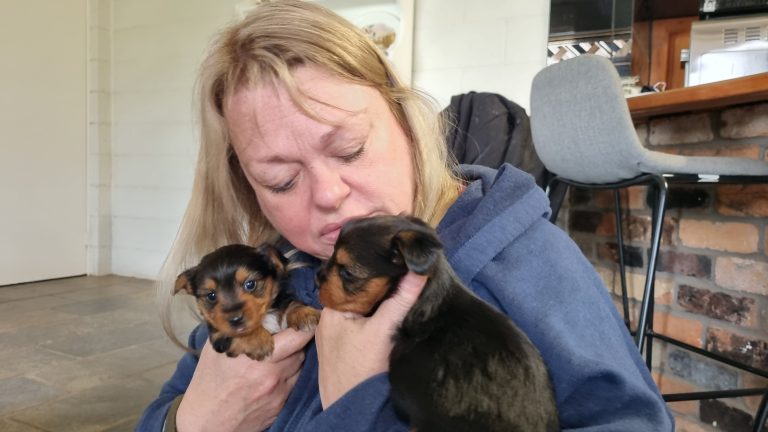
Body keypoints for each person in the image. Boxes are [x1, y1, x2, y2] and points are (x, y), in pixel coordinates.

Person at [137, 1, 675, 431]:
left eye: (349, 150)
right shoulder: (270, 273)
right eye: (282, 179)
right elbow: (157, 416)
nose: (329, 192)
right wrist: (190, 421)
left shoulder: (525, 261)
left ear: (405, 119)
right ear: (248, 189)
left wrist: (357, 405)